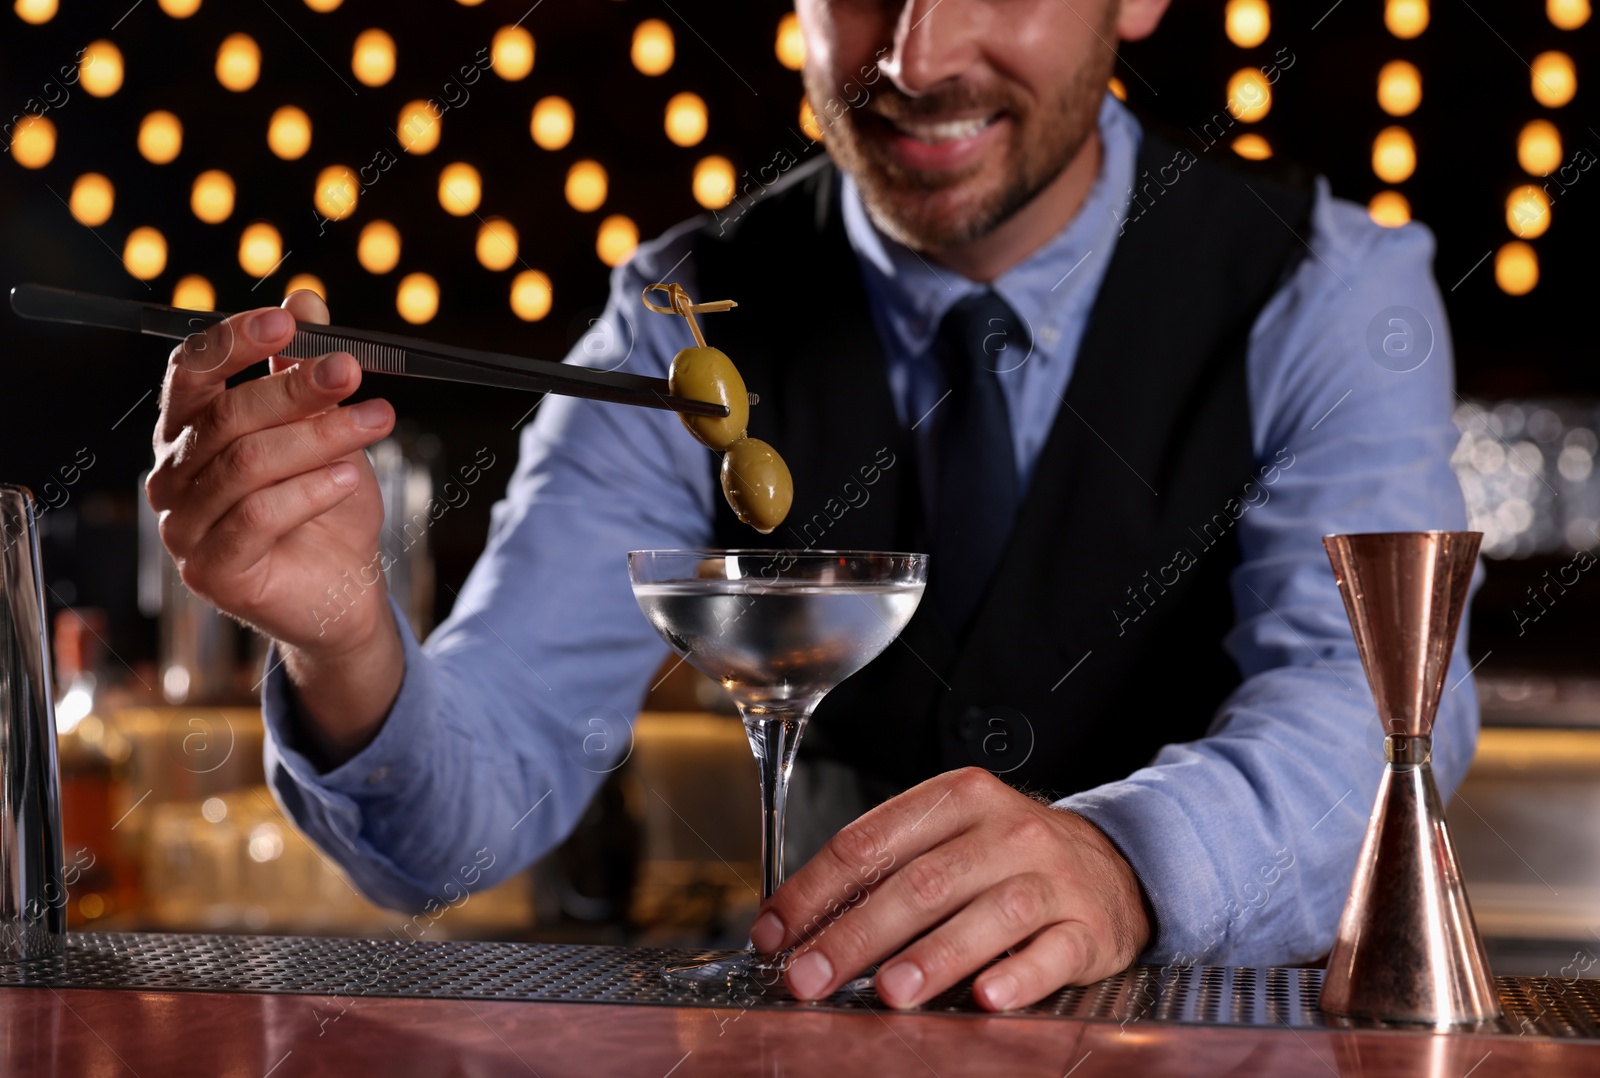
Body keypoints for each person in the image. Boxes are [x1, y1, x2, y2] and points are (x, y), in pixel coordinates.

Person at [144, 0, 1477, 1011]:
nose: (916, 56)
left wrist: (1124, 862)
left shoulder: (1330, 288)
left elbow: (1377, 724)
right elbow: (454, 821)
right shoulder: (677, 312)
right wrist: (339, 639)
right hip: (835, 1023)